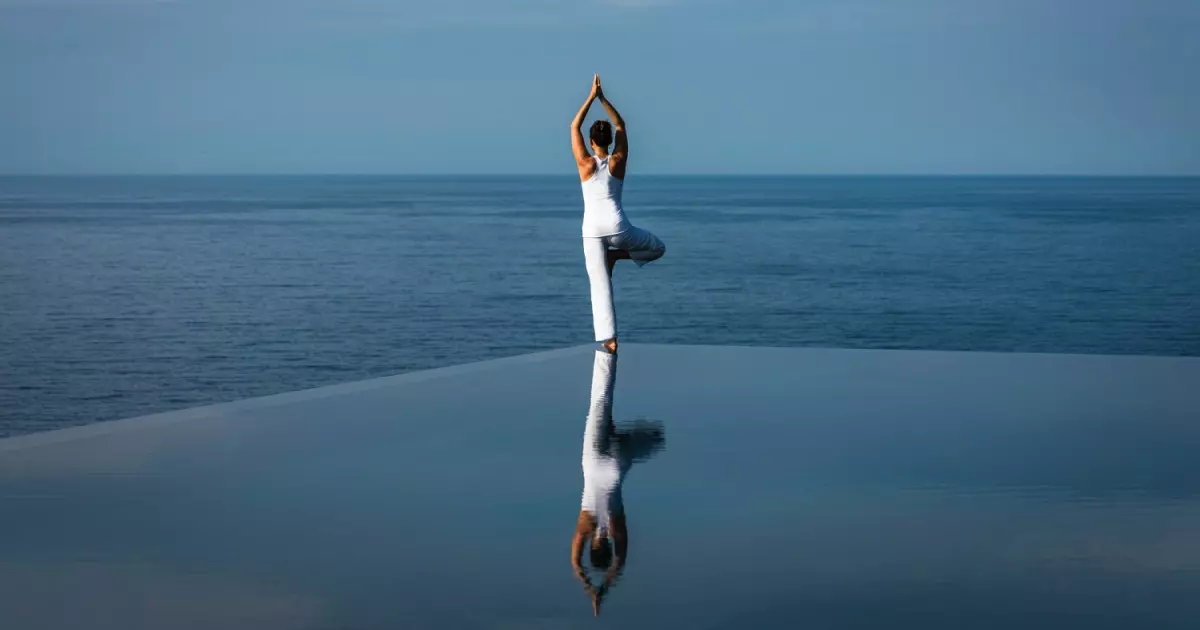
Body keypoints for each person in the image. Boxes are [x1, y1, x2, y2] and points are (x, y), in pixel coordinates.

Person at [571, 74, 666, 354]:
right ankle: (618, 255)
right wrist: (603, 98)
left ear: (591, 141)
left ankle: (609, 339)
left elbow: (574, 124)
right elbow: (621, 124)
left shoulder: (584, 163)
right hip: (617, 227)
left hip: (591, 230)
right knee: (658, 248)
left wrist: (590, 97)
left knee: (599, 285)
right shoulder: (618, 161)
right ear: (611, 141)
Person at [571, 348, 665, 616]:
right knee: (600, 402)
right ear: (592, 546)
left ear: (609, 546)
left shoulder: (616, 528)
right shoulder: (584, 526)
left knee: (650, 440)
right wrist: (588, 585)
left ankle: (652, 436)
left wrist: (606, 585)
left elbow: (620, 561)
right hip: (593, 464)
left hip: (615, 467)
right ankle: (607, 354)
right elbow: (574, 563)